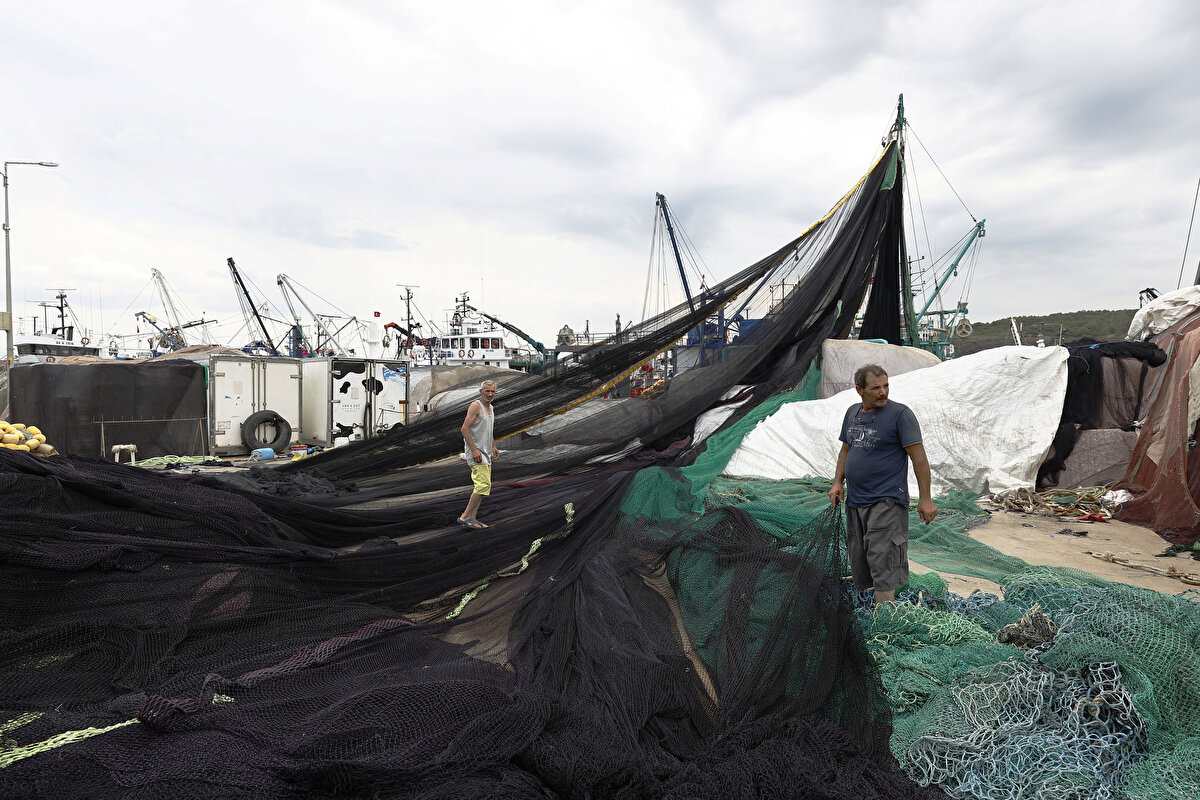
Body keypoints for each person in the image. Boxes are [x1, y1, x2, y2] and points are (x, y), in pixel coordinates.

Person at [828, 364, 936, 605]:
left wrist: (925, 499)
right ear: (859, 390)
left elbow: (919, 458)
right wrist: (837, 483)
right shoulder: (852, 413)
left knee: (883, 561)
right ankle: (877, 610)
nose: (883, 392)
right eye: (876, 388)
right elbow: (846, 449)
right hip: (856, 502)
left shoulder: (900, 415)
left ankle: (885, 624)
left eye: (886, 386)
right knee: (861, 558)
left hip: (886, 502)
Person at [458, 380, 499, 529]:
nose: (490, 394)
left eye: (492, 391)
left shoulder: (491, 408)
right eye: (487, 391)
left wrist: (493, 446)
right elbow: (464, 429)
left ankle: (473, 519)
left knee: (484, 486)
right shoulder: (476, 406)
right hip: (476, 452)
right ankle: (465, 516)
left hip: (486, 451)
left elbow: (489, 429)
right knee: (482, 484)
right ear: (481, 391)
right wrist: (474, 450)